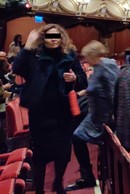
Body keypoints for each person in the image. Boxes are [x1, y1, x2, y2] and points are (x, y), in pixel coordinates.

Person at [12, 25, 87, 194]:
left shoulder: (70, 56)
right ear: (43, 39)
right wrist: (27, 47)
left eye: (57, 36)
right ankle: (39, 189)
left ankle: (57, 184)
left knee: (62, 152)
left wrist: (75, 77)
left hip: (63, 113)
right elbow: (16, 68)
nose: (54, 39)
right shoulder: (34, 56)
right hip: (40, 113)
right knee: (40, 154)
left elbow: (83, 80)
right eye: (49, 36)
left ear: (62, 38)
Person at [67, 41, 119, 191]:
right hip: (96, 114)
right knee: (77, 138)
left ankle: (92, 175)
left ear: (93, 55)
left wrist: (113, 118)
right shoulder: (100, 66)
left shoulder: (106, 66)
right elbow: (96, 87)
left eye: (86, 56)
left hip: (103, 117)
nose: (85, 60)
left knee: (78, 137)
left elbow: (112, 93)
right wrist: (83, 92)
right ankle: (91, 175)